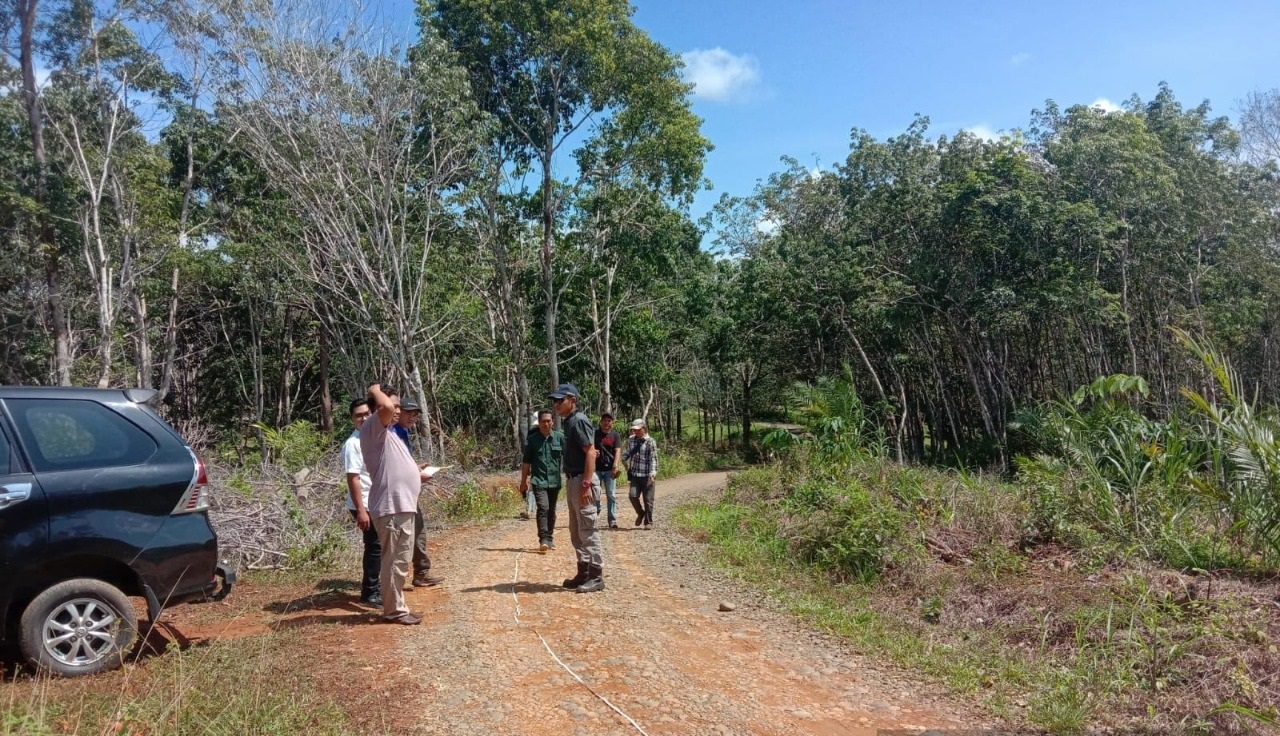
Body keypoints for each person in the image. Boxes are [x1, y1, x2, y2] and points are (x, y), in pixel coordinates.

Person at [359, 384, 428, 624]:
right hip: (391, 507)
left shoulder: (388, 432)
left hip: (401, 506)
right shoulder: (372, 427)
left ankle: (398, 606)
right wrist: (374, 389)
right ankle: (393, 611)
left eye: (399, 406)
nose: (397, 410)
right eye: (395, 405)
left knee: (400, 560)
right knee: (394, 561)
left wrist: (415, 472)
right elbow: (385, 406)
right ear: (378, 406)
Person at [550, 383, 605, 593]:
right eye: (554, 401)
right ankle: (583, 573)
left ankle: (596, 575)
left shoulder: (579, 421)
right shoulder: (569, 422)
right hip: (574, 479)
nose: (556, 404)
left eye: (560, 400)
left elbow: (591, 452)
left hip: (582, 479)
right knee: (576, 530)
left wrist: (586, 484)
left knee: (588, 529)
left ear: (572, 400)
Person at [396, 401, 442, 588]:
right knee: (403, 537)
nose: (412, 418)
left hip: (409, 493)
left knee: (419, 531)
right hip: (397, 495)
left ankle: (421, 573)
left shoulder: (404, 433)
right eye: (408, 413)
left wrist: (415, 469)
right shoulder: (392, 433)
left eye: (415, 414)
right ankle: (397, 581)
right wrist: (416, 474)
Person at [342, 398, 381, 608]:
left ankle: (378, 588)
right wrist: (361, 511)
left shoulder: (374, 437)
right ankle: (370, 593)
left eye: (367, 413)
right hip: (364, 504)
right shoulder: (353, 444)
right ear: (352, 419)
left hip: (377, 501)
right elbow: (353, 478)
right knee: (374, 546)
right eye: (359, 415)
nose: (364, 418)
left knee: (380, 546)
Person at [519, 410, 564, 553]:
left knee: (551, 511)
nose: (546, 424)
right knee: (543, 508)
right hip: (539, 480)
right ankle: (543, 539)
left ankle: (550, 539)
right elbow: (526, 463)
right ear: (539, 423)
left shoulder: (559, 438)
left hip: (554, 481)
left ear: (553, 422)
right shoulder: (532, 440)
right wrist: (523, 481)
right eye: (543, 421)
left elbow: (569, 456)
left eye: (548, 421)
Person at [622, 418, 658, 529]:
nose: (636, 432)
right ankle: (640, 513)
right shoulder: (631, 440)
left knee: (648, 500)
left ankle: (648, 522)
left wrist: (653, 473)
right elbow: (626, 453)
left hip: (647, 475)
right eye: (634, 430)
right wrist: (623, 461)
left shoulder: (650, 441)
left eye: (638, 430)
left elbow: (653, 458)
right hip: (635, 475)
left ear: (644, 428)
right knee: (632, 496)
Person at [594, 413, 623, 529]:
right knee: (595, 493)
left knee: (611, 494)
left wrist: (615, 465)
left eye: (609, 421)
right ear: (601, 422)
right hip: (596, 469)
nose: (607, 423)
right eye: (604, 420)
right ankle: (596, 513)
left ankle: (612, 519)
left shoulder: (615, 435)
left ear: (612, 423)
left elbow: (617, 451)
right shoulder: (595, 434)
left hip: (609, 469)